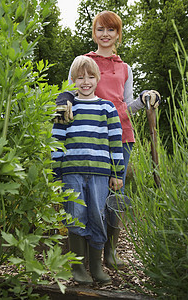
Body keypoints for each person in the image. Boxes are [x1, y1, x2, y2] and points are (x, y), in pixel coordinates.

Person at [54, 10, 161, 270]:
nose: (105, 34)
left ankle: (110, 254)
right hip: (88, 135)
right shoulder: (82, 61)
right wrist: (63, 98)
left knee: (116, 193)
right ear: (94, 33)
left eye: (111, 30)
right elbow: (70, 92)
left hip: (120, 134)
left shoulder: (125, 68)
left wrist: (145, 97)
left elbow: (127, 104)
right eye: (100, 29)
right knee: (85, 198)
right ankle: (84, 261)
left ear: (118, 34)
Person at [52, 55, 125, 285]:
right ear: (72, 80)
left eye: (90, 77)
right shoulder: (67, 108)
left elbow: (115, 141)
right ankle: (78, 268)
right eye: (80, 77)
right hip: (72, 171)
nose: (85, 81)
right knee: (75, 216)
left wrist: (117, 172)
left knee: (97, 215)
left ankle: (96, 266)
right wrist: (56, 173)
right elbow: (57, 141)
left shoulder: (107, 108)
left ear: (98, 79)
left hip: (100, 173)